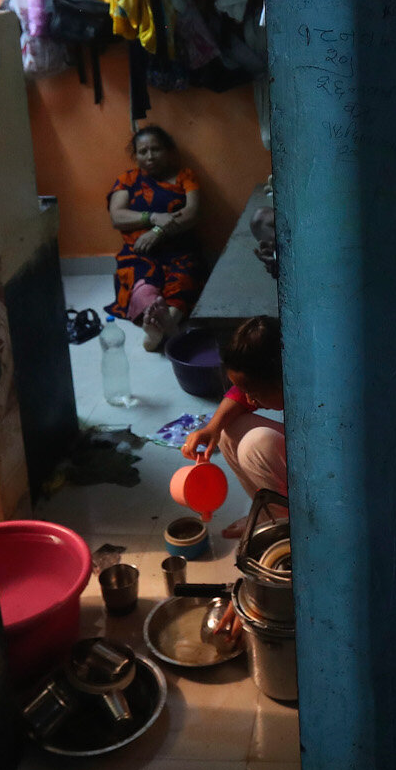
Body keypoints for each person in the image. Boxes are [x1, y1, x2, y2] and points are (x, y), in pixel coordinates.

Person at [181, 315, 286, 536]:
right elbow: (238, 394)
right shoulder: (285, 372)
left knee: (258, 444)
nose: (248, 400)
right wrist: (212, 428)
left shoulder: (320, 400)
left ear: (280, 381)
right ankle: (269, 517)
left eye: (254, 393)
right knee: (228, 428)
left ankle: (287, 533)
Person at [107, 125, 202, 352]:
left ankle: (166, 321)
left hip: (178, 248)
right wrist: (153, 217)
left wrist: (158, 232)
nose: (149, 156)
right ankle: (158, 321)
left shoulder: (184, 177)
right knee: (142, 281)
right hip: (138, 252)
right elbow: (117, 216)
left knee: (185, 275)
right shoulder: (127, 180)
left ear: (168, 151)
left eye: (156, 149)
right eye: (143, 151)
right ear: (136, 155)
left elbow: (192, 213)